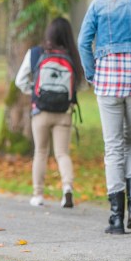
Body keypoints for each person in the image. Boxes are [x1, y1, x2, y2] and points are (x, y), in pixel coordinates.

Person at [78, 0, 131, 234]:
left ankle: (116, 217)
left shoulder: (99, 3)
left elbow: (83, 42)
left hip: (108, 79)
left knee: (113, 146)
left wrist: (91, 73)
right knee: (130, 141)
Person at [15, 17, 84, 209]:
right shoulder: (73, 56)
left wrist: (35, 92)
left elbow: (20, 81)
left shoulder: (36, 53)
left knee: (40, 152)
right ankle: (67, 188)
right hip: (64, 112)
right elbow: (82, 85)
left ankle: (38, 195)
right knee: (62, 153)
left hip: (41, 112)